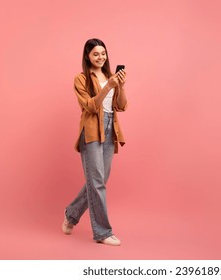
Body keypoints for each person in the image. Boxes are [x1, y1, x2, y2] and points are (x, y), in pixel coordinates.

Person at [62, 38, 127, 246]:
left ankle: (71, 214)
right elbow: (90, 107)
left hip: (110, 130)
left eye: (103, 53)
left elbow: (121, 106)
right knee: (97, 182)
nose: (101, 57)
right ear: (87, 56)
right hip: (91, 132)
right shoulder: (81, 79)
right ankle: (102, 232)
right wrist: (108, 87)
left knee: (99, 180)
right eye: (96, 54)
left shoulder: (111, 76)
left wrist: (121, 86)